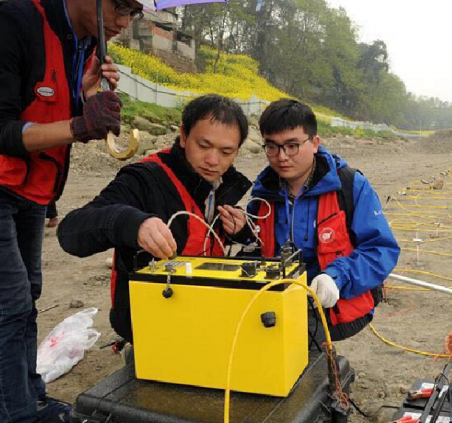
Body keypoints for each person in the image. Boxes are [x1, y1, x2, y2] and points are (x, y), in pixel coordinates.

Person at [0, 0, 141, 421]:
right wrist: (80, 126)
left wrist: (88, 95)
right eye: (119, 6)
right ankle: (18, 413)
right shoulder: (15, 22)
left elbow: (54, 111)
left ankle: (28, 395)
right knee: (10, 305)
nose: (123, 22)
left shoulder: (87, 46)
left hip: (31, 190)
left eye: (134, 12)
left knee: (28, 297)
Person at [58, 94, 252, 345]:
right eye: (203, 146)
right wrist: (131, 223)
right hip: (149, 319)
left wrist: (240, 231)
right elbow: (70, 232)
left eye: (226, 151)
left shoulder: (221, 185)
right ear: (183, 136)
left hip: (203, 309)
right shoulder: (143, 179)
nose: (213, 160)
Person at [227, 99, 400, 348]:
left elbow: (382, 250)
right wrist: (243, 231)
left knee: (295, 345)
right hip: (279, 298)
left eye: (292, 146)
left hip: (336, 301)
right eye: (272, 147)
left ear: (315, 143)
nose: (281, 157)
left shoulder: (350, 186)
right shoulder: (263, 190)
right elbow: (259, 244)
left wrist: (335, 277)